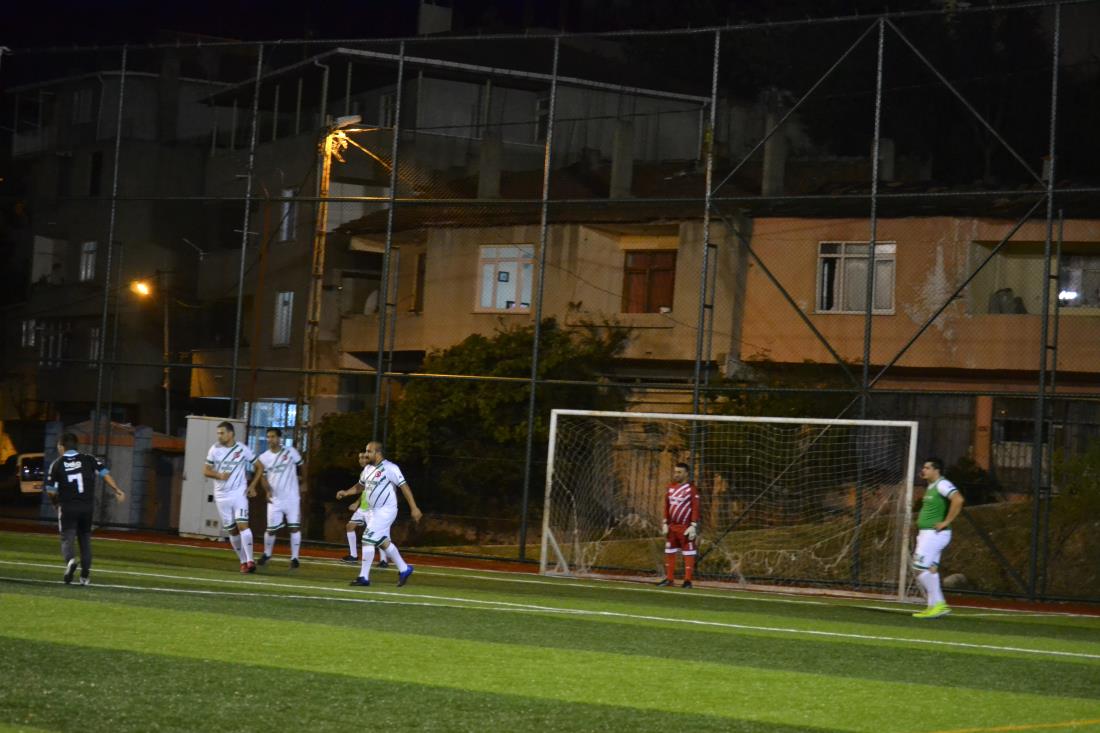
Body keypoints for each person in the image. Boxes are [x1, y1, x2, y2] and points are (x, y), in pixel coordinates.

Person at [43, 432, 126, 586]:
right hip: (87, 507)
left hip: (67, 507)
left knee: (67, 538)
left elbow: (50, 490)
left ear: (61, 446)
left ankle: (70, 561)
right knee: (85, 539)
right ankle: (85, 575)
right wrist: (117, 489)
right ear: (76, 445)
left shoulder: (57, 464)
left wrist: (55, 503)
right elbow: (105, 474)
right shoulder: (89, 459)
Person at [335, 441, 422, 587]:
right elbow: (360, 486)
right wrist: (346, 492)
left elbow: (404, 487)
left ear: (378, 453)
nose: (366, 454)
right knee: (383, 542)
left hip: (386, 510)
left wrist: (414, 508)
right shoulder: (367, 469)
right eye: (366, 451)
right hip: (372, 511)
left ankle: (363, 577)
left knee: (367, 539)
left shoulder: (390, 468)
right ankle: (404, 569)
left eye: (369, 451)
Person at [911, 457, 965, 619]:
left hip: (934, 535)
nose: (923, 470)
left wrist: (947, 521)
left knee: (918, 569)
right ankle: (933, 606)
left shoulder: (942, 484)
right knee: (931, 570)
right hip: (928, 534)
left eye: (927, 468)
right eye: (923, 467)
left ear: (937, 470)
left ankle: (939, 604)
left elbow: (958, 499)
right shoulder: (931, 486)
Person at [202, 421, 258, 573]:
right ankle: (243, 561)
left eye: (222, 433)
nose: (219, 436)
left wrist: (252, 485)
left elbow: (259, 466)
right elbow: (205, 471)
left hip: (239, 493)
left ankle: (251, 561)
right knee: (232, 531)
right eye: (218, 433)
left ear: (230, 434)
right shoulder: (214, 449)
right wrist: (219, 475)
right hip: (221, 496)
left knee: (243, 525)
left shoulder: (242, 449)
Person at [249, 428, 305, 569]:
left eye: (273, 436)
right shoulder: (264, 457)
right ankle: (267, 554)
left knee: (294, 527)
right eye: (268, 437)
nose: (270, 439)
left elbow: (301, 465)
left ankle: (295, 558)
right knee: (271, 529)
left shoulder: (290, 451)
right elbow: (263, 477)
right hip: (275, 498)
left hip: (292, 497)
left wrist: (303, 480)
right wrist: (267, 491)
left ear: (280, 438)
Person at [341, 449, 389, 569]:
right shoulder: (365, 471)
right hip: (363, 507)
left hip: (373, 509)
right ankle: (353, 556)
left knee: (377, 534)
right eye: (360, 457)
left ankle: (383, 560)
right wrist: (357, 502)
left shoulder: (376, 470)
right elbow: (364, 489)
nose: (361, 460)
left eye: (364, 457)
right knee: (350, 526)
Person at [657, 462, 700, 589]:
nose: (676, 474)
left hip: (685, 527)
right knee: (669, 550)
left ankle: (687, 581)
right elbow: (667, 506)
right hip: (672, 527)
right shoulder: (671, 487)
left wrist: (693, 525)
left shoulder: (691, 489)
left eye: (679, 472)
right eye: (675, 472)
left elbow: (695, 508)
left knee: (688, 552)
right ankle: (669, 579)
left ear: (686, 474)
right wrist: (665, 522)